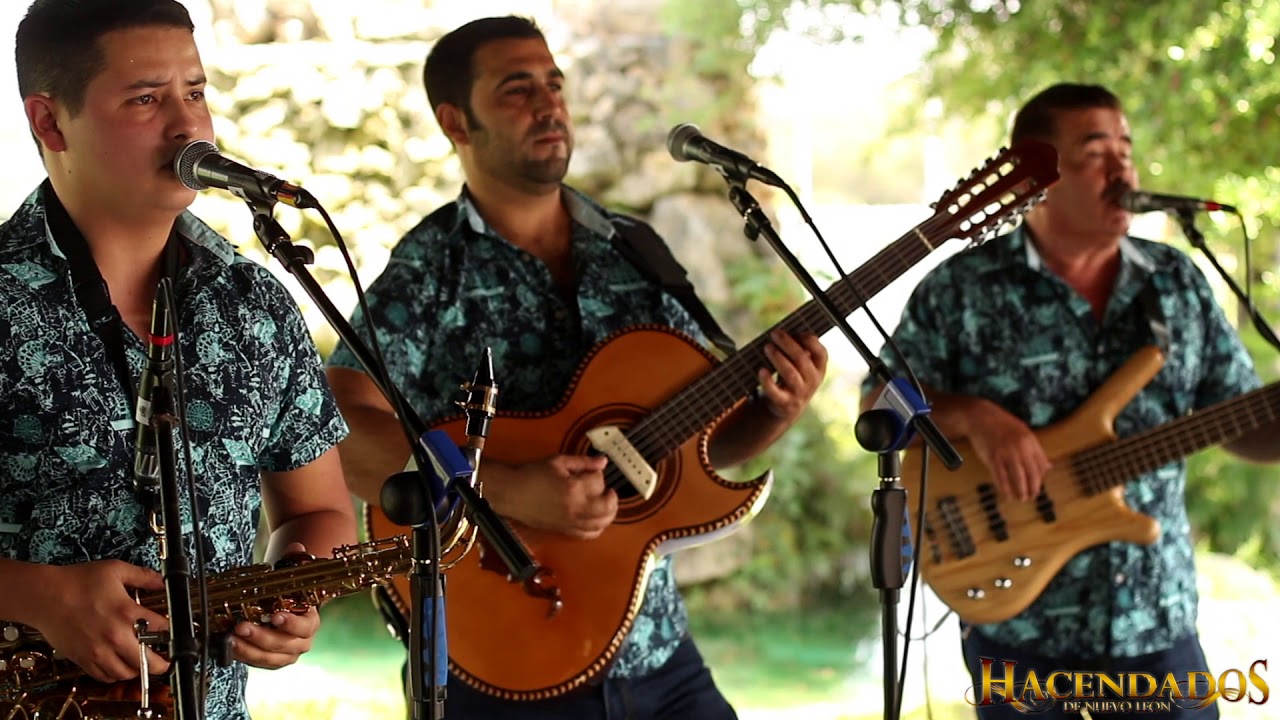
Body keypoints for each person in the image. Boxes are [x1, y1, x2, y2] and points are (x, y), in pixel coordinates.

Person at [326, 15, 828, 720]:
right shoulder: (429, 272)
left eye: (554, 84)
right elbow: (339, 433)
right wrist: (507, 490)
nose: (548, 105)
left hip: (657, 656)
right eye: (517, 89)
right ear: (455, 122)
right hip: (502, 665)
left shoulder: (633, 249)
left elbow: (694, 451)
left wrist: (772, 411)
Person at [861, 83, 1280, 719]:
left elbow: (1240, 419)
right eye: (1095, 153)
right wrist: (976, 419)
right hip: (1020, 631)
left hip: (1156, 624)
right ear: (1036, 177)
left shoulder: (1177, 283)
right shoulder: (962, 289)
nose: (1122, 171)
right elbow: (877, 408)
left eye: (1126, 151)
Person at [0, 2, 356, 719]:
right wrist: (39, 595)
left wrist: (295, 591)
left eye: (195, 92)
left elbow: (318, 509)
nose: (187, 125)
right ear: (49, 122)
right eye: (145, 99)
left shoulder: (256, 302)